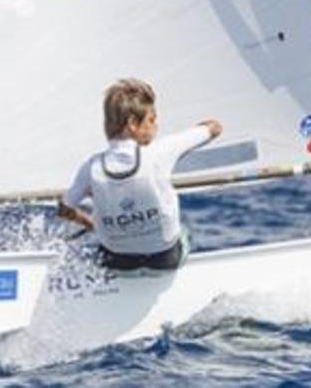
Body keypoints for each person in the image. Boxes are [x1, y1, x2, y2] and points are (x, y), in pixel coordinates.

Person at [57, 79, 222, 272]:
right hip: (164, 259)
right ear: (133, 123)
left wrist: (91, 223)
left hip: (118, 262)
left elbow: (64, 209)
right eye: (151, 119)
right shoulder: (161, 150)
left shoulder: (90, 167)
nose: (156, 126)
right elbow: (215, 128)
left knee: (100, 246)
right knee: (185, 232)